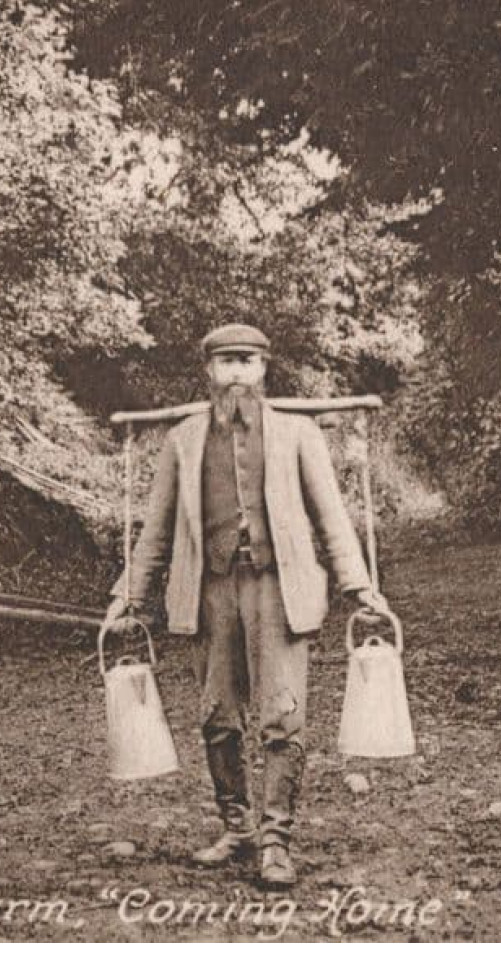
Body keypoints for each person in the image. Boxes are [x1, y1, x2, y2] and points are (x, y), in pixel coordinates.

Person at [104, 323, 389, 890]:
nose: (236, 371)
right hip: (209, 591)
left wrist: (362, 587)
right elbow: (155, 531)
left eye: (247, 361)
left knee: (283, 715)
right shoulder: (181, 440)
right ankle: (236, 828)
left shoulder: (297, 434)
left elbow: (332, 519)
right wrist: (128, 599)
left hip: (278, 592)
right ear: (208, 372)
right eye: (226, 362)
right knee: (218, 715)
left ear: (264, 370)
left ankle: (276, 840)